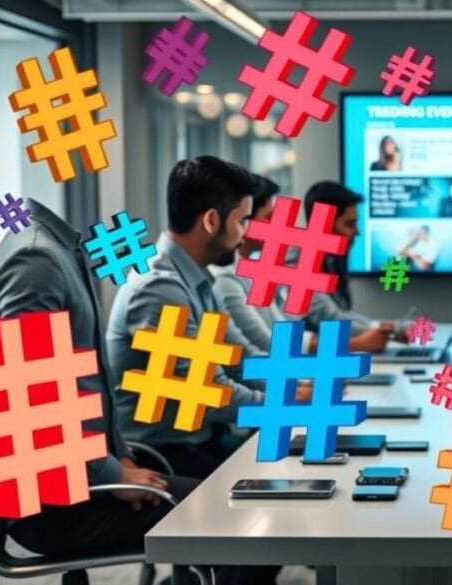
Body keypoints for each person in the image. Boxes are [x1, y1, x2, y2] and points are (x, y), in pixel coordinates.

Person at [0, 199, 274, 581]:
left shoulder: (54, 250)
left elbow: (92, 385)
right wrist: (109, 473)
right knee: (243, 515)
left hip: (83, 479)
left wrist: (120, 457)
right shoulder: (35, 259)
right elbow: (35, 398)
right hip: (55, 503)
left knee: (235, 503)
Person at [108, 156, 310, 481]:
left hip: (202, 442)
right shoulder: (159, 289)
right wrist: (284, 401)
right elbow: (208, 393)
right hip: (164, 456)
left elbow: (238, 357)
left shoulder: (198, 279)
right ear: (212, 221)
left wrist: (293, 385)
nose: (245, 234)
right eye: (242, 221)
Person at [211, 174, 315, 353]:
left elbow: (283, 326)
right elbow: (268, 341)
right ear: (244, 220)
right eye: (269, 217)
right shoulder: (224, 275)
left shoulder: (249, 268)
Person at [299, 180, 405, 352]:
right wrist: (382, 331)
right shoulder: (296, 263)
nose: (357, 232)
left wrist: (383, 327)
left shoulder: (331, 259)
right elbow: (330, 317)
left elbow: (341, 313)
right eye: (349, 224)